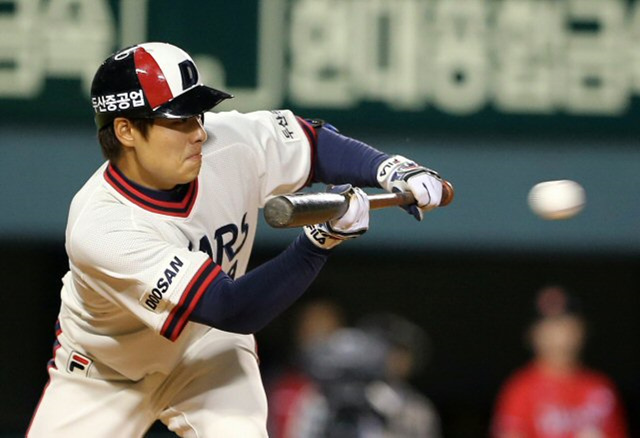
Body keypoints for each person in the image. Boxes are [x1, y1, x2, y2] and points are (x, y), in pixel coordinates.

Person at [26, 42, 445, 437]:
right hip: (106, 374)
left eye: (198, 114)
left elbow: (313, 144)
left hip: (207, 351)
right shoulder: (103, 226)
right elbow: (231, 308)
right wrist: (317, 243)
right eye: (179, 119)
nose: (198, 132)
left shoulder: (227, 143)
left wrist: (390, 168)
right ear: (126, 130)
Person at [491, 286, 628, 438]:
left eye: (564, 323)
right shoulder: (520, 388)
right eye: (550, 325)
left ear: (581, 329)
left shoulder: (601, 387)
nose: (558, 334)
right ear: (533, 334)